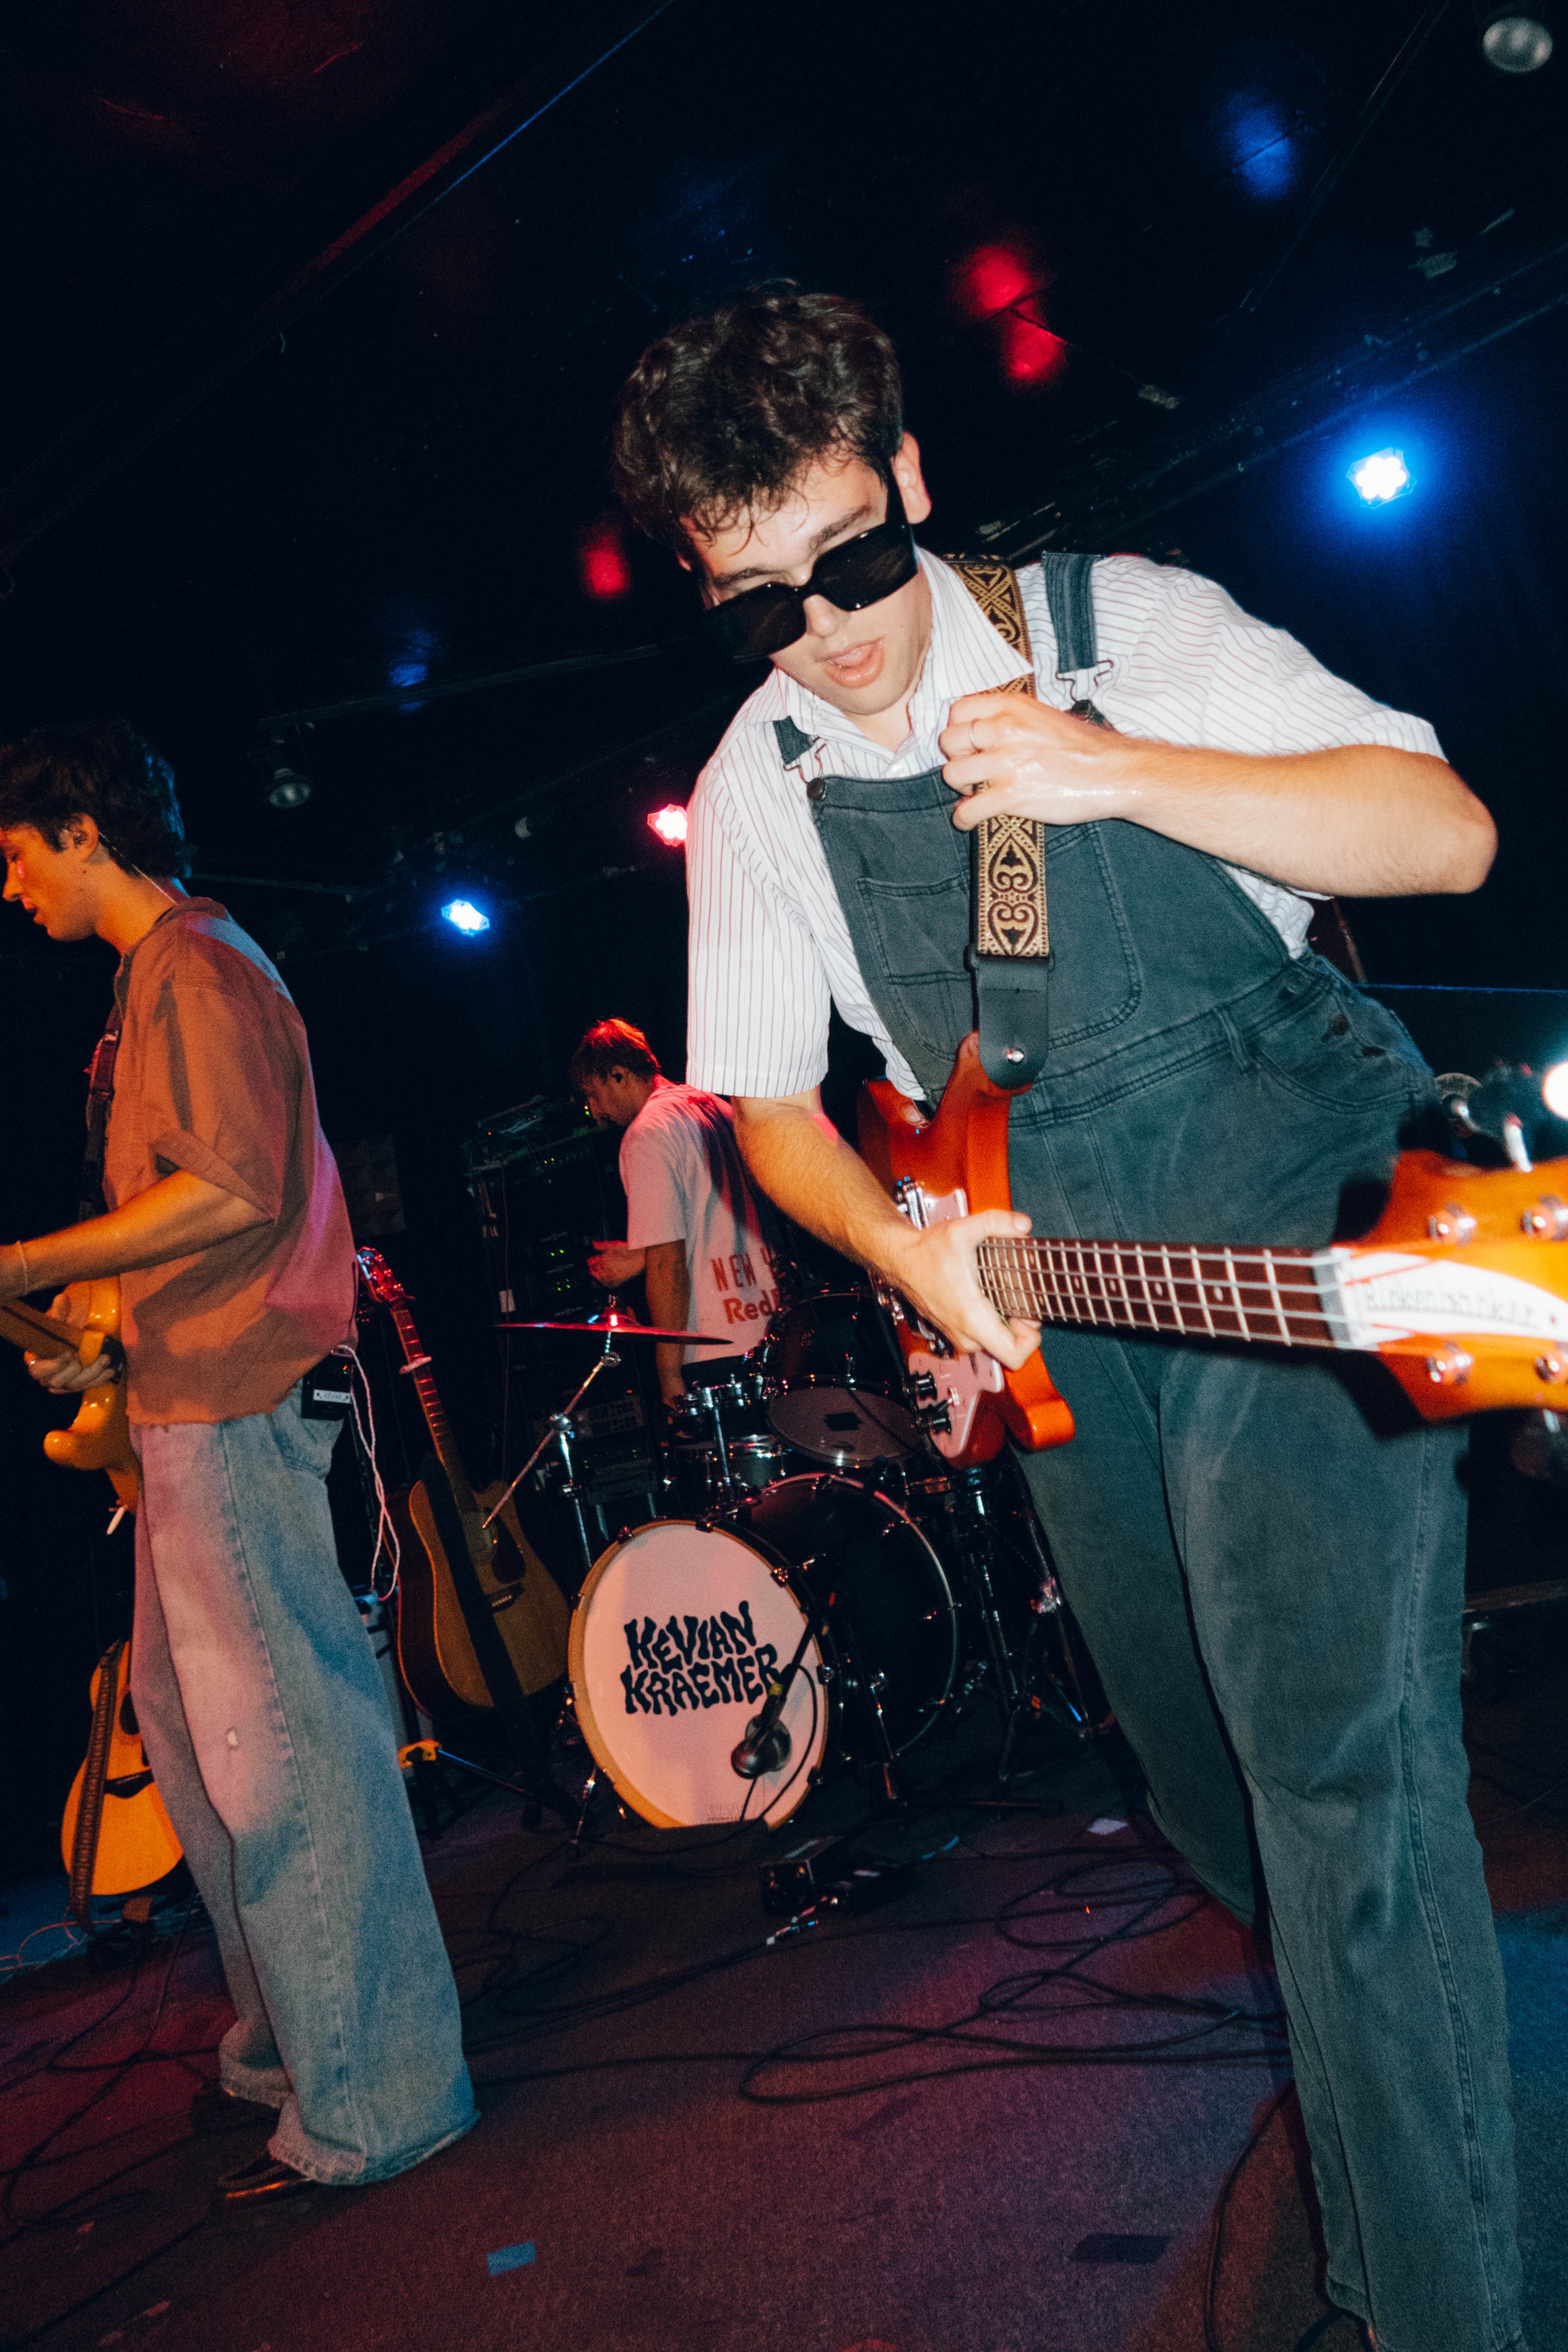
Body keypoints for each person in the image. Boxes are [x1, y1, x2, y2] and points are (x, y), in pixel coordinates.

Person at [610, 289, 1518, 2352]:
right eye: (768, 600)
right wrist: (913, 1249)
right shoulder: (759, 778)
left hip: (1292, 1202)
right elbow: (765, 1105)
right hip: (1064, 1286)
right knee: (1213, 1795)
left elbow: (1442, 834)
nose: (835, 630)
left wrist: (1130, 778)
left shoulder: (1123, 628)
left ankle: (1442, 2310)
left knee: (1339, 1780)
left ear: (909, 481)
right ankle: (1408, 2204)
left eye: (854, 560)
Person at [0, 722, 474, 2204]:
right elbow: (201, 1214)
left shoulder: (198, 963)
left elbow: (230, 1188)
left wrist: (28, 1257)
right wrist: (93, 1332)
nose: (7, 889)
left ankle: (383, 2094)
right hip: (185, 1405)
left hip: (240, 1406)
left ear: (81, 832)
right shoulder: (155, 986)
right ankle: (289, 2046)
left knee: (291, 1762)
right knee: (198, 1746)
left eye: (14, 855)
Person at [569, 1017, 785, 1415]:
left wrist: (668, 1371)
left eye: (593, 1095)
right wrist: (639, 1256)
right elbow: (713, 1214)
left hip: (719, 1348)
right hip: (779, 1328)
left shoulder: (647, 1135)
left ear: (618, 1075)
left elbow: (669, 1264)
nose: (595, 1113)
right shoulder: (716, 1107)